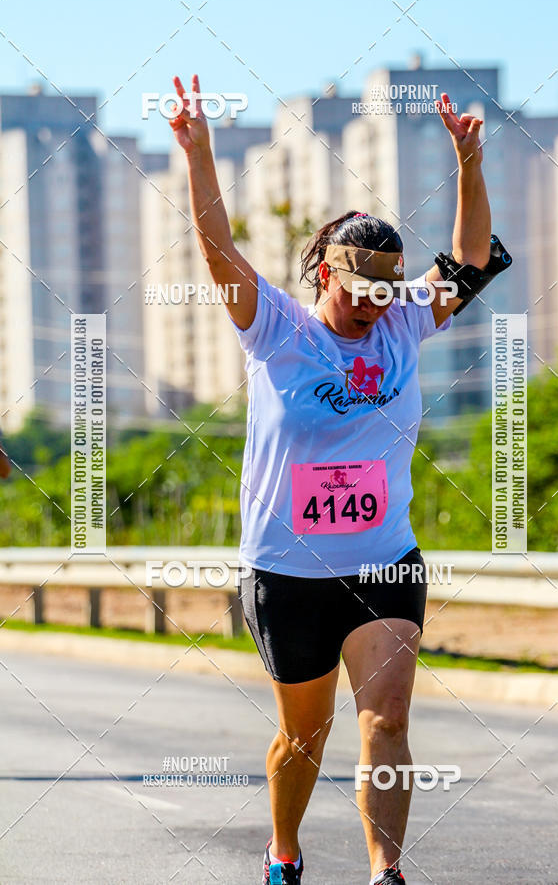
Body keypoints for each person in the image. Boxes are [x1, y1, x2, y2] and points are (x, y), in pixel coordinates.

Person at [169, 75, 492, 884]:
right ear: (324, 276)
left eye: (385, 295)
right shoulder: (273, 328)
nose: (372, 311)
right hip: (287, 570)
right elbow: (217, 250)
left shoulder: (405, 322)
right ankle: (284, 854)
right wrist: (200, 153)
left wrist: (469, 160)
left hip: (384, 560)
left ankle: (387, 872)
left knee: (386, 720)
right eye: (358, 295)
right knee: (302, 739)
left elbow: (475, 262)